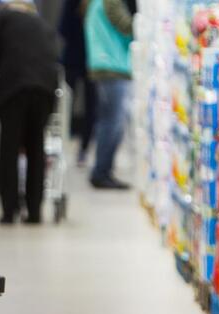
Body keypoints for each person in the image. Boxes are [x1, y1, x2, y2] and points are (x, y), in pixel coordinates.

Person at [0, 0, 59, 224]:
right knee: (36, 148)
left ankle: (9, 209)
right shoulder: (41, 23)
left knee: (9, 149)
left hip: (13, 89)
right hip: (44, 89)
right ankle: (34, 210)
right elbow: (54, 53)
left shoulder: (1, 18)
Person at [84, 0, 136, 190]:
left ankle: (103, 171)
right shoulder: (110, 1)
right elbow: (127, 26)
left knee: (109, 122)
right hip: (111, 66)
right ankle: (101, 172)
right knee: (113, 123)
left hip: (105, 65)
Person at [59, 0, 96, 166]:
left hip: (78, 58)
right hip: (88, 59)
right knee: (88, 106)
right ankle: (81, 148)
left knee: (67, 104)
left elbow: (63, 28)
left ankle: (70, 141)